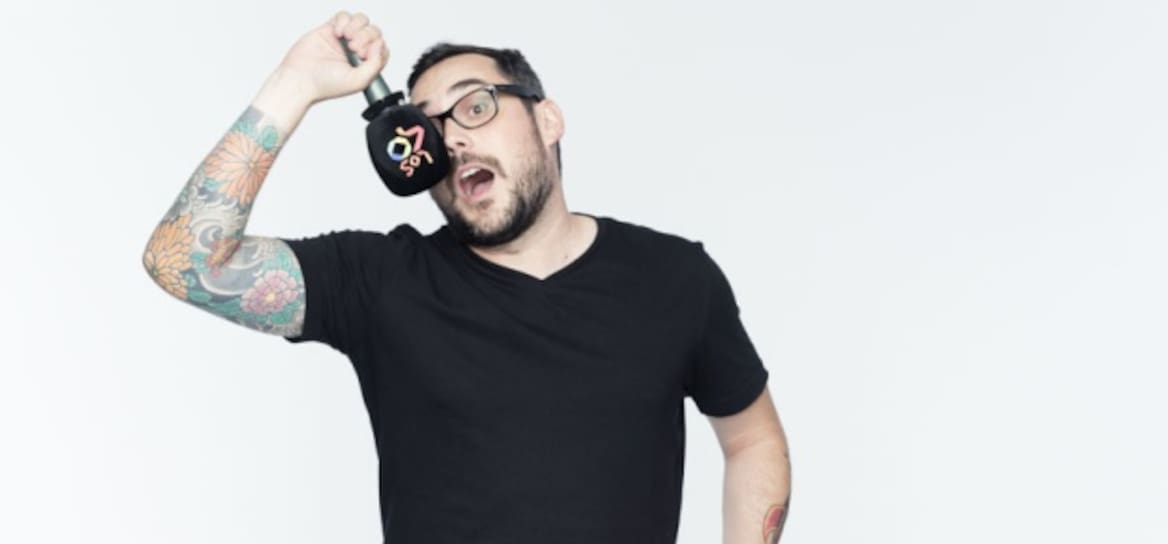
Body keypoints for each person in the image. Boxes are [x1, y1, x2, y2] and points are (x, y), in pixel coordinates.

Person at [143, 10, 791, 544]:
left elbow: (752, 438)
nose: (450, 140)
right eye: (427, 127)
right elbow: (185, 260)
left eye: (475, 107)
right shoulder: (380, 281)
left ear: (547, 119)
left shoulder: (674, 278)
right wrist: (296, 82)